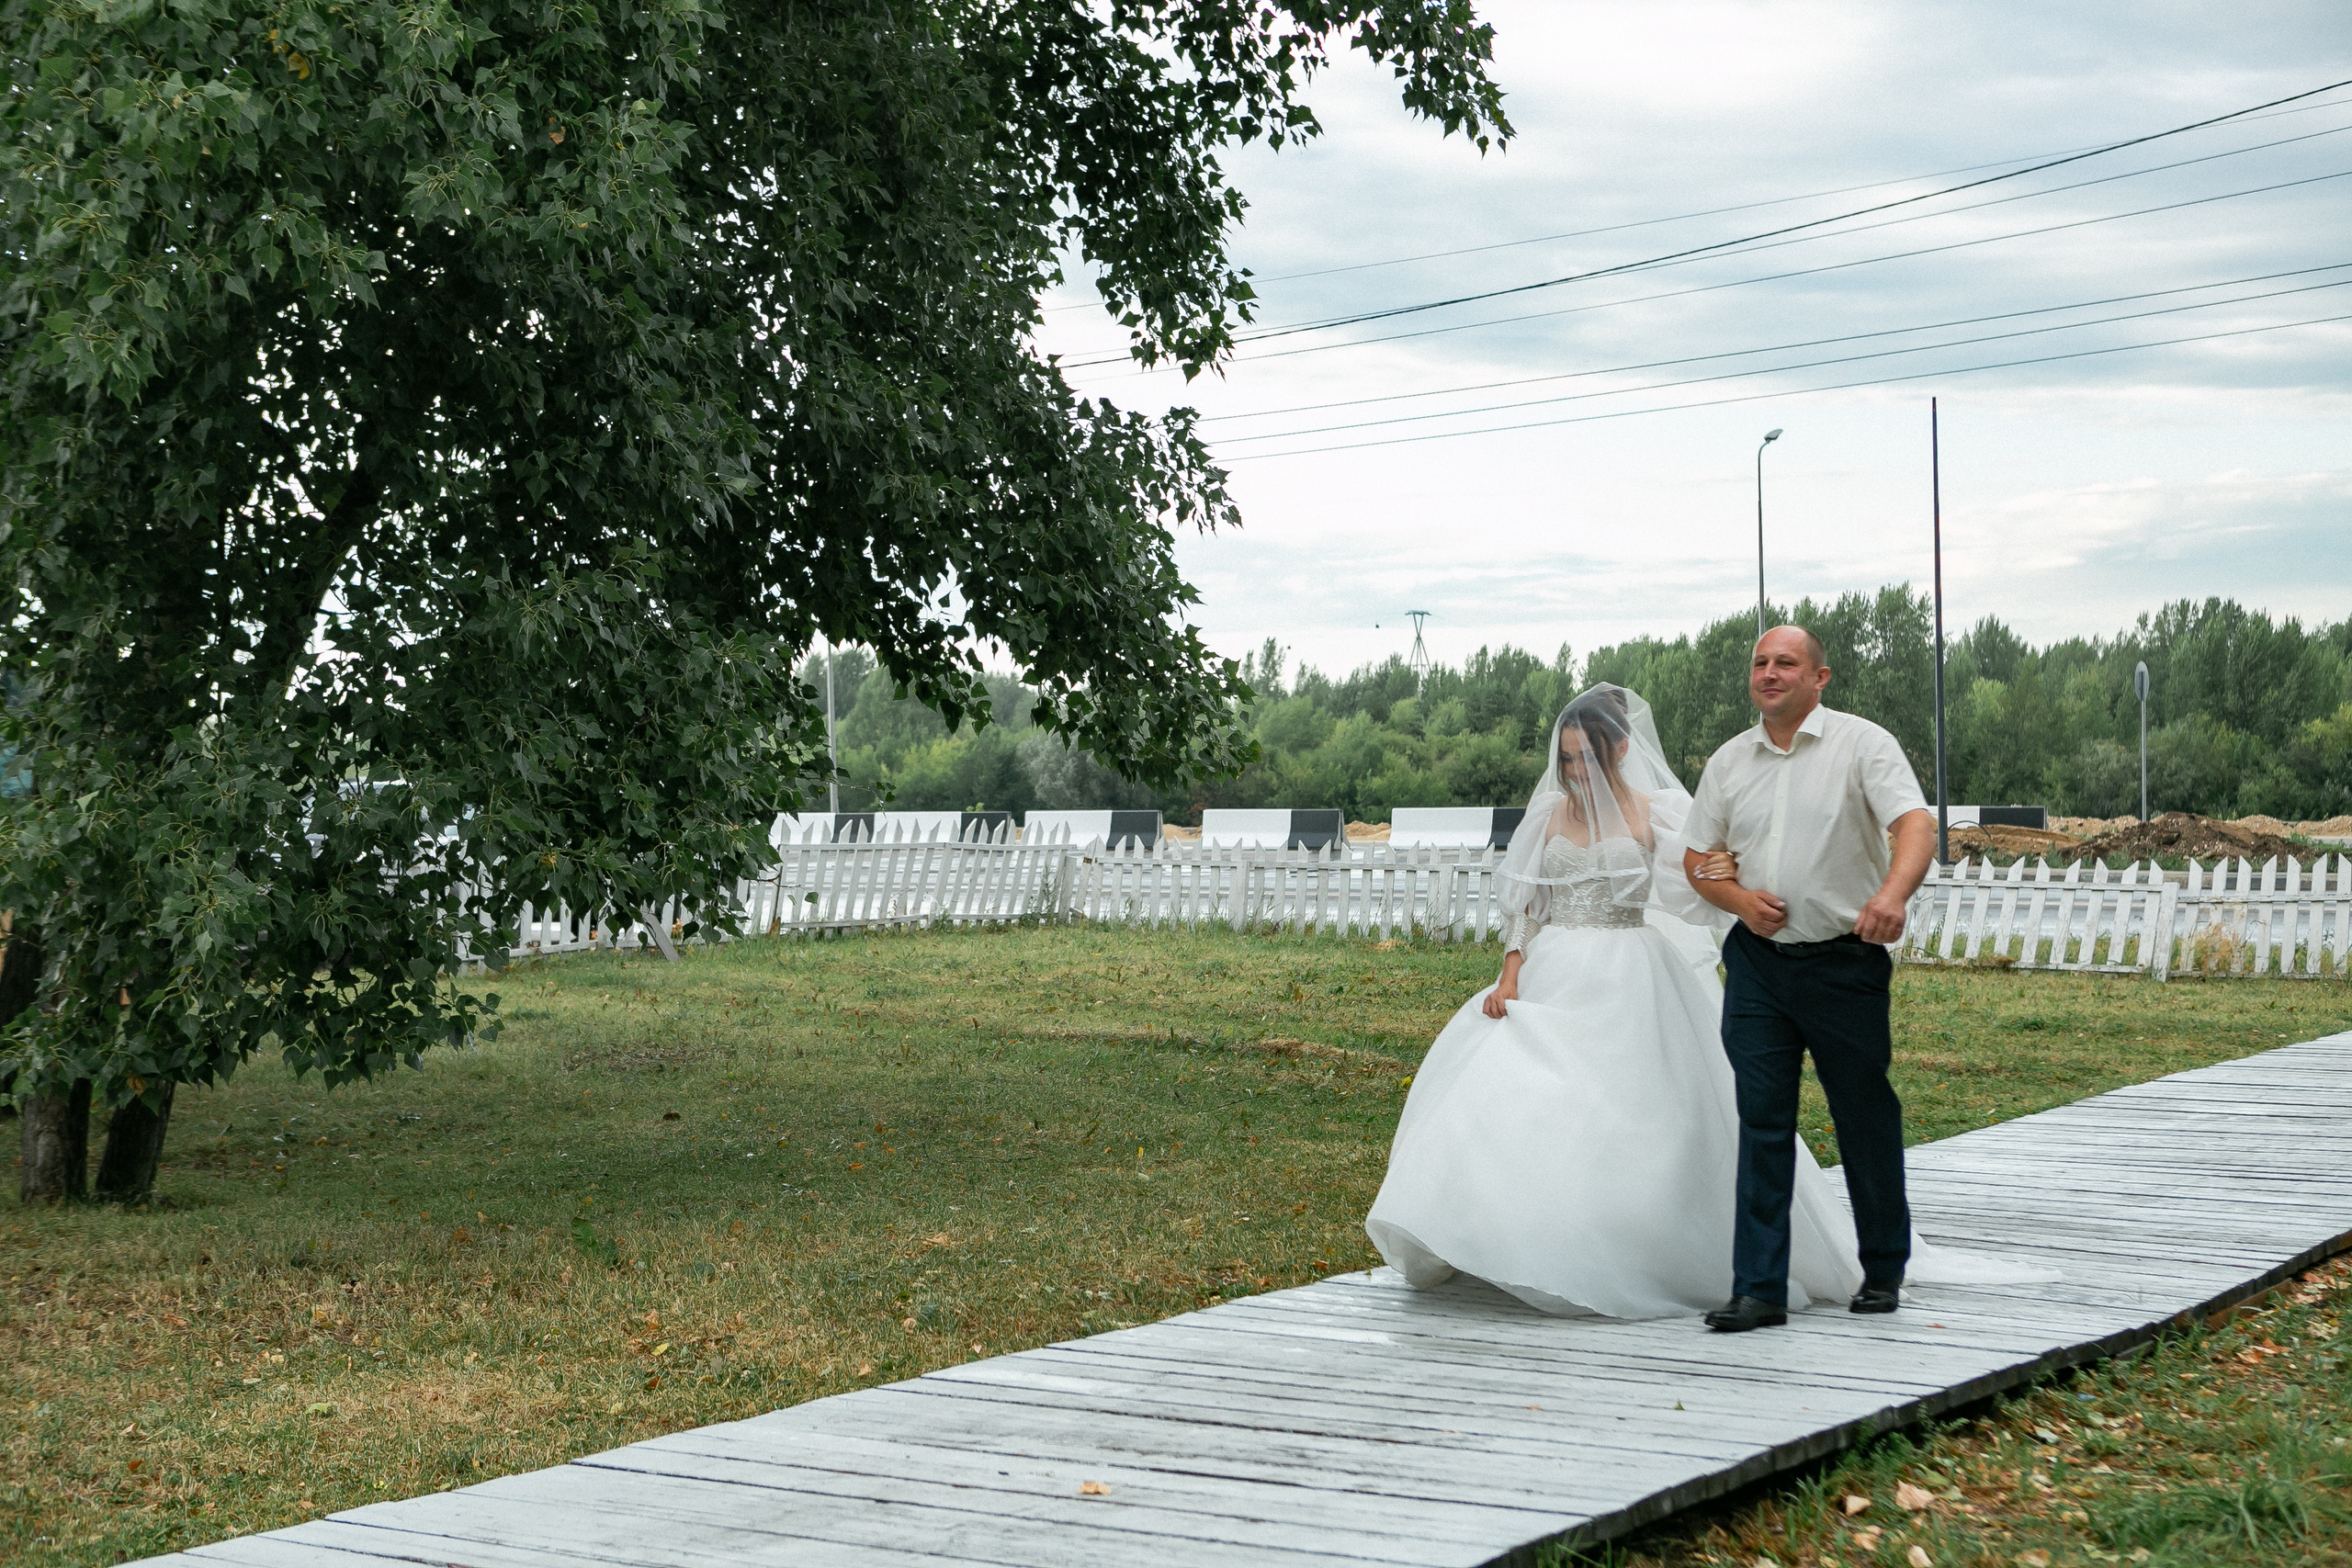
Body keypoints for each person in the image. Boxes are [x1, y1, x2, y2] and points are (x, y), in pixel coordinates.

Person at [1363, 683, 1873, 1318]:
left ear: (1622, 749)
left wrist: (1750, 891)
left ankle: (1632, 1245)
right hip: (1553, 967)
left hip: (1631, 969)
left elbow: (1703, 876)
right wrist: (1510, 973)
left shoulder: (1659, 813)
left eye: (1588, 757)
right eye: (1567, 758)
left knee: (1631, 1110)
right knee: (1512, 1089)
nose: (1577, 770)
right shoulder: (1548, 816)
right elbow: (1528, 904)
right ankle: (1509, 1235)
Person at [1680, 625, 1935, 1332]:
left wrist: (1892, 896)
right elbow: (1697, 857)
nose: (1769, 672)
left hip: (1844, 960)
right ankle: (1759, 1288)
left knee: (1862, 1112)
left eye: (1785, 662)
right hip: (1759, 966)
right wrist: (1737, 900)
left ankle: (1882, 1267)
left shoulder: (1863, 744)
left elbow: (1915, 825)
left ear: (1819, 677)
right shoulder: (1729, 761)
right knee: (1762, 1118)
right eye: (1760, 662)